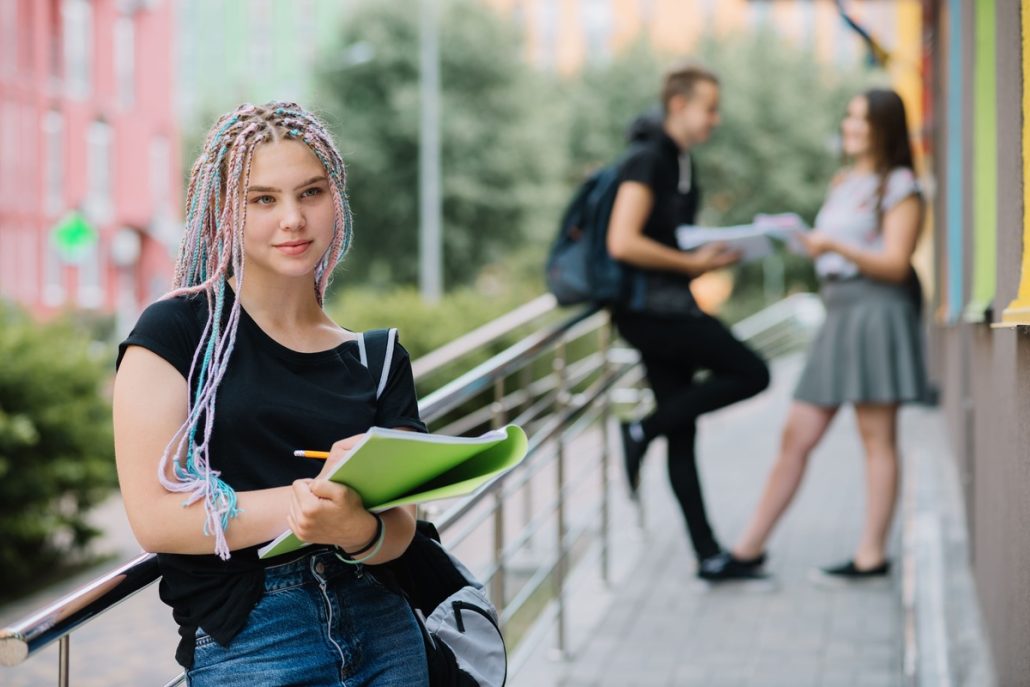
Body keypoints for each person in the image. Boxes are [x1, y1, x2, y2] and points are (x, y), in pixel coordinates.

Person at [113, 102, 430, 684]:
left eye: (310, 192)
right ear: (224, 210)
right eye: (264, 199)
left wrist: (357, 529)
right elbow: (155, 518)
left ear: (336, 199)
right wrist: (312, 504)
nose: (293, 219)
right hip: (253, 641)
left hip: (386, 631)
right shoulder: (176, 333)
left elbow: (400, 531)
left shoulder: (378, 359)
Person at [731, 88, 926, 582]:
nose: (851, 126)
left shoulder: (902, 185)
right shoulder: (844, 182)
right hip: (838, 310)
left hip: (876, 311)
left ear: (885, 126)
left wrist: (834, 243)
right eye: (849, 116)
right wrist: (809, 244)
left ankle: (871, 555)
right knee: (796, 434)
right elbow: (839, 250)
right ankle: (747, 549)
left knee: (876, 437)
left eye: (862, 119)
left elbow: (895, 264)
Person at [606, 62, 771, 582]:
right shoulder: (647, 157)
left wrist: (710, 252)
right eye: (709, 108)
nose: (715, 119)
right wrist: (693, 266)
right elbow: (623, 240)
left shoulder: (679, 162)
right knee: (752, 372)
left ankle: (707, 555)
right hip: (651, 313)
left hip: (667, 307)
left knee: (683, 428)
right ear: (679, 104)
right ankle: (641, 428)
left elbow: (668, 236)